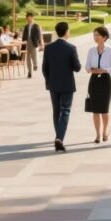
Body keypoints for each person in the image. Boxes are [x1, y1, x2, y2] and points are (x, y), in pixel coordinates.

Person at [42, 21, 81, 152]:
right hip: (67, 85)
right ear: (66, 32)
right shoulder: (71, 48)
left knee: (56, 111)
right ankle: (59, 137)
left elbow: (44, 68)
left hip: (53, 85)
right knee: (65, 111)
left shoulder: (48, 48)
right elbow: (77, 68)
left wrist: (49, 81)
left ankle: (58, 137)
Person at [84, 26, 111, 143]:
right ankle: (97, 134)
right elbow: (87, 67)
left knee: (104, 109)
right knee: (95, 110)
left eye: (98, 35)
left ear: (105, 37)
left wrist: (104, 70)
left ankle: (105, 131)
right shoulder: (91, 51)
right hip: (94, 80)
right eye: (94, 35)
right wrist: (91, 70)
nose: (96, 37)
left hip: (105, 81)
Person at [22, 12, 43, 79]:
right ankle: (29, 72)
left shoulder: (36, 25)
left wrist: (40, 43)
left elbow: (39, 35)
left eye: (29, 17)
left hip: (34, 42)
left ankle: (35, 65)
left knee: (34, 55)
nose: (28, 19)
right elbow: (24, 34)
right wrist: (23, 40)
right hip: (28, 42)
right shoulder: (26, 26)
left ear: (32, 17)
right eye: (27, 18)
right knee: (28, 57)